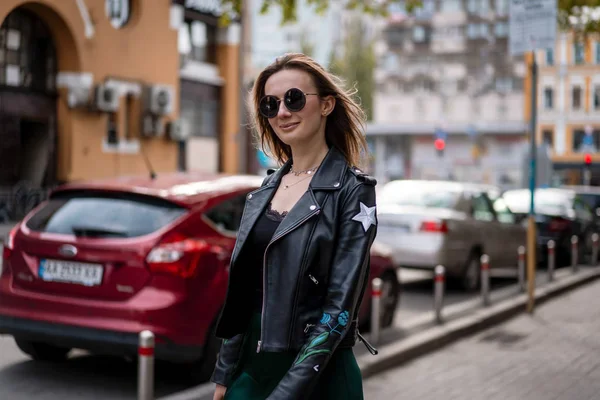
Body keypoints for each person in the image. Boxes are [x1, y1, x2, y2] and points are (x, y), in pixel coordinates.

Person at [211, 53, 378, 400]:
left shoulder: (352, 191)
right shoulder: (263, 192)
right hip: (253, 367)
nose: (282, 112)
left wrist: (286, 393)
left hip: (320, 375)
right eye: (270, 105)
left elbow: (338, 310)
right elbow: (243, 294)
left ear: (327, 104)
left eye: (294, 98)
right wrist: (224, 375)